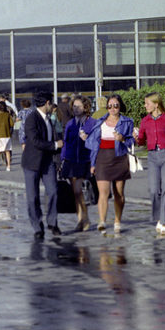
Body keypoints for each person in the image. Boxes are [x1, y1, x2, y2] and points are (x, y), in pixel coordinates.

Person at [83, 93, 136, 234]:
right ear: (106, 107)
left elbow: (132, 141)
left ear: (120, 107)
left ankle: (117, 221)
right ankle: (102, 221)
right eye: (110, 106)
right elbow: (92, 142)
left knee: (119, 193)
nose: (112, 109)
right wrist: (92, 163)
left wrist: (123, 138)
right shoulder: (99, 122)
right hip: (102, 158)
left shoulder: (127, 122)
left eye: (116, 106)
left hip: (119, 157)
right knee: (103, 193)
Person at [134, 92, 165, 236]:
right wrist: (137, 137)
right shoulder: (145, 121)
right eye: (145, 103)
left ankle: (164, 221)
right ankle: (159, 217)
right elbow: (141, 142)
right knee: (154, 189)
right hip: (153, 156)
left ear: (156, 104)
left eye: (147, 103)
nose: (145, 106)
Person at [21, 91, 63, 239]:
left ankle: (52, 222)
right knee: (33, 198)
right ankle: (37, 227)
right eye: (51, 102)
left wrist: (58, 158)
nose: (52, 105)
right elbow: (35, 141)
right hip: (32, 163)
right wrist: (55, 145)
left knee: (53, 192)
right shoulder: (32, 118)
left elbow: (55, 137)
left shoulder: (49, 118)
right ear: (47, 103)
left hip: (48, 163)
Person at [61, 95, 97, 231]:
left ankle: (85, 218)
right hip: (71, 161)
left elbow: (96, 143)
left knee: (78, 189)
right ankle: (81, 219)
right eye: (74, 106)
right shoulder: (70, 123)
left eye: (79, 106)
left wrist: (87, 139)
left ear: (86, 107)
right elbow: (66, 143)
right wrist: (63, 160)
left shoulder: (92, 123)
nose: (76, 109)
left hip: (84, 160)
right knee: (75, 192)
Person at [0, 101, 14, 171]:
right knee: (7, 151)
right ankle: (8, 166)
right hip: (7, 135)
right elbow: (12, 124)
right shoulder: (7, 115)